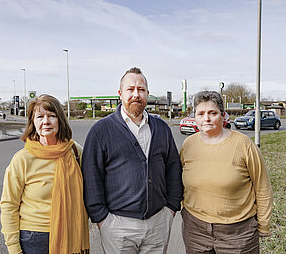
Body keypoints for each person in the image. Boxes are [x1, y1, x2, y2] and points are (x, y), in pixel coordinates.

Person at [81, 67, 183, 253]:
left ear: (147, 94)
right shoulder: (101, 131)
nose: (136, 94)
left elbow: (173, 169)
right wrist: (102, 219)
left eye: (141, 89)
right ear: (120, 93)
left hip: (158, 223)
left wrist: (171, 208)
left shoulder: (161, 128)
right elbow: (91, 176)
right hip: (117, 226)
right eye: (130, 89)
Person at [180, 91, 273, 253]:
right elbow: (179, 180)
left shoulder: (244, 145)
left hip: (238, 233)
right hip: (195, 230)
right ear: (194, 116)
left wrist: (264, 225)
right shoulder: (188, 144)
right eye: (200, 113)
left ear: (223, 115)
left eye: (212, 113)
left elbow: (262, 186)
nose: (206, 118)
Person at [0, 94, 90, 254]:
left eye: (52, 116)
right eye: (40, 116)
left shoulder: (75, 151)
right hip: (35, 239)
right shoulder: (22, 159)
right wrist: (13, 248)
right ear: (33, 122)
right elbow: (9, 205)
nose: (46, 121)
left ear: (60, 120)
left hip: (71, 233)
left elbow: (92, 187)